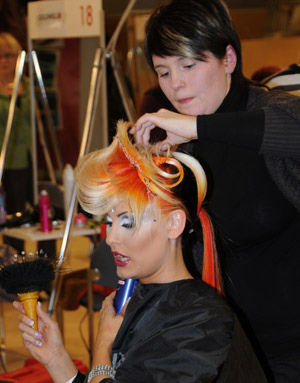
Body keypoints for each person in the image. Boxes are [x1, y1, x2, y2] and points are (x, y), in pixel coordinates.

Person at [13, 120, 267, 382]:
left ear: (173, 224)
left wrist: (103, 346)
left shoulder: (201, 323)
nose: (111, 238)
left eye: (128, 222)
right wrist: (56, 359)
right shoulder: (134, 297)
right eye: (109, 222)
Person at [131, 1, 300, 382]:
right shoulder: (177, 146)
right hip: (223, 347)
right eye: (163, 71)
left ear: (228, 58)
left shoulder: (271, 111)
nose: (175, 83)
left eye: (189, 65)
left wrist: (198, 126)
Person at [0, 32, 32, 213]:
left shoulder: (28, 84)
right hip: (4, 159)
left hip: (28, 157)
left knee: (34, 205)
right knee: (10, 211)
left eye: (8, 55)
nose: (4, 61)